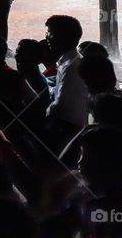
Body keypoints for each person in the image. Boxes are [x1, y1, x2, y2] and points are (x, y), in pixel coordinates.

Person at [44, 14, 88, 147]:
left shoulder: (71, 68)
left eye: (50, 32)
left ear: (63, 37)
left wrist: (43, 114)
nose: (46, 37)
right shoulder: (69, 62)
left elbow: (60, 105)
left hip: (68, 131)